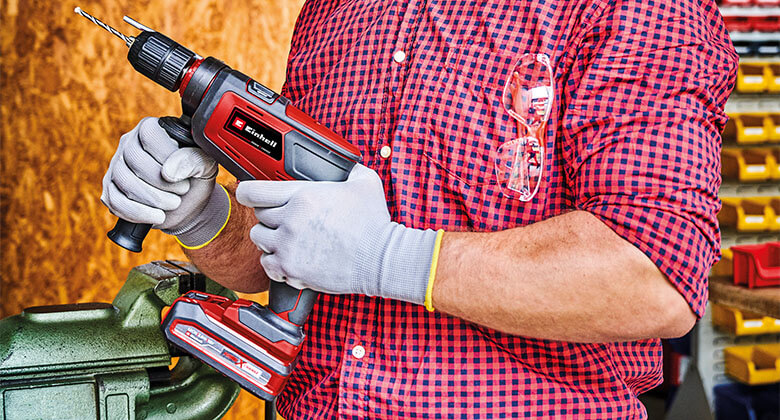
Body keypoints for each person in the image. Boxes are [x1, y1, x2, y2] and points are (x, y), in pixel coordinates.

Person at [101, 0, 738, 418]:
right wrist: (204, 218)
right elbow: (295, 255)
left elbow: (652, 280)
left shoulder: (637, 10)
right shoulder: (334, 12)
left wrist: (388, 257)